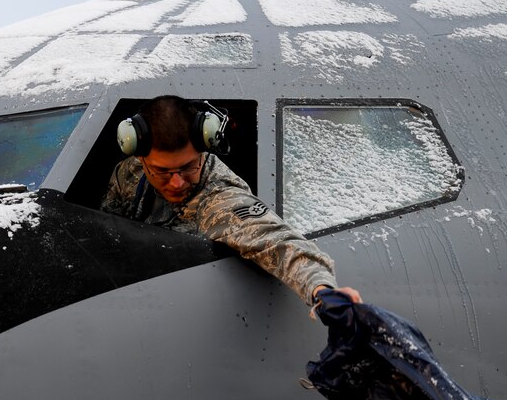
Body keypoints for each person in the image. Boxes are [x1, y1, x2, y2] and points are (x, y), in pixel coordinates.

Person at [100, 95, 361, 306]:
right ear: (142, 159)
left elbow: (275, 240)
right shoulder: (129, 173)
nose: (178, 182)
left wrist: (321, 288)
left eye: (189, 167)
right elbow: (106, 226)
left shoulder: (218, 196)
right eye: (163, 172)